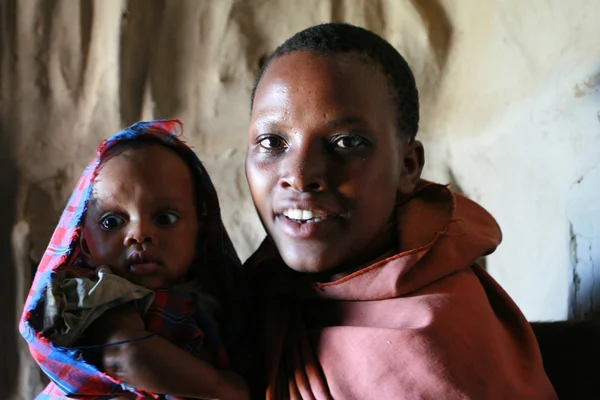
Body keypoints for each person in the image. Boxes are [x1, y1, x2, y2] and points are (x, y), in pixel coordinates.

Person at [243, 22, 558, 399]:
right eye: (272, 141)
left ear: (407, 166)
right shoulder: (253, 295)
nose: (300, 176)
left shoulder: (441, 348)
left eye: (346, 142)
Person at [19, 120, 249, 399]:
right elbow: (125, 357)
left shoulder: (212, 302)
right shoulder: (100, 295)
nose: (139, 234)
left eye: (165, 218)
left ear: (200, 234)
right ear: (86, 246)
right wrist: (227, 389)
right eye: (111, 221)